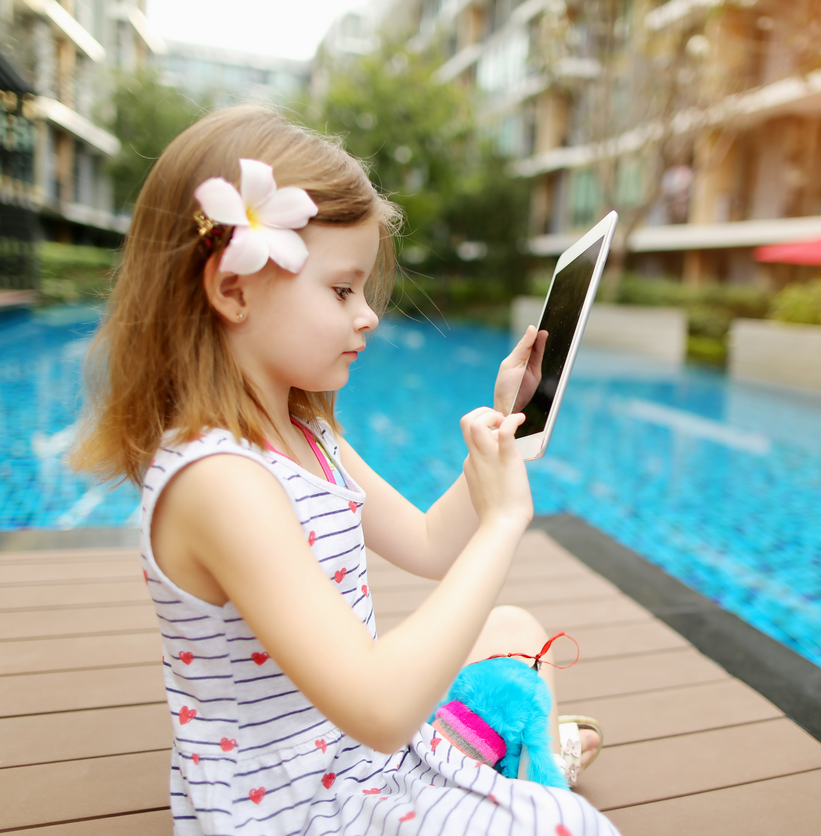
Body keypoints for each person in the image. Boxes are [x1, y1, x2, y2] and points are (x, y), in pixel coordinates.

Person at [70, 104, 616, 835]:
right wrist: (506, 522)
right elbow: (382, 709)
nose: (368, 316)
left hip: (361, 755)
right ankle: (528, 764)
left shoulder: (304, 430)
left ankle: (512, 762)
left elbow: (426, 543)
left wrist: (503, 432)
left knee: (511, 623)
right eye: (340, 290)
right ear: (232, 291)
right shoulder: (220, 482)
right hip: (307, 809)